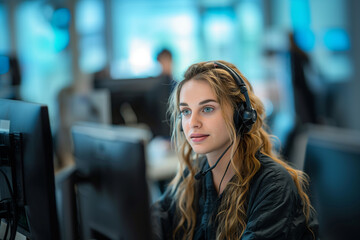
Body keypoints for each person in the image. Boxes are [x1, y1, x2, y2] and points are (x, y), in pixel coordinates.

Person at [151, 60, 318, 239]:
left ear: (241, 115)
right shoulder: (194, 175)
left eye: (207, 109)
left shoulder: (274, 185)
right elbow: (152, 222)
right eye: (185, 111)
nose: (192, 123)